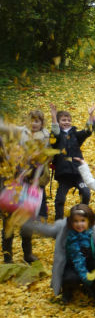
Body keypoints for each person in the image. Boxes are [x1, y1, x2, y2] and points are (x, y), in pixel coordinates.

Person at [21, 204, 95, 303]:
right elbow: (47, 230)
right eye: (75, 221)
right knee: (71, 278)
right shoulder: (63, 228)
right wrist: (29, 225)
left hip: (89, 261)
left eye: (82, 221)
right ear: (70, 221)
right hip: (70, 264)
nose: (79, 224)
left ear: (88, 221)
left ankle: (94, 290)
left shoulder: (92, 231)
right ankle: (67, 292)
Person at [0, 110, 51, 263]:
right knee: (8, 222)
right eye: (31, 120)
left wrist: (35, 178)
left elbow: (43, 163)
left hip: (29, 185)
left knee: (26, 222)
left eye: (37, 121)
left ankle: (27, 254)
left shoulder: (45, 138)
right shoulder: (18, 134)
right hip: (11, 183)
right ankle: (7, 256)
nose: (34, 124)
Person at [49, 103, 95, 219]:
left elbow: (87, 131)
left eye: (69, 120)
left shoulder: (75, 134)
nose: (66, 122)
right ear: (59, 122)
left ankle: (82, 213)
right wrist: (54, 117)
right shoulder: (57, 136)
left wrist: (90, 116)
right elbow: (55, 131)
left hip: (77, 172)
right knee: (60, 199)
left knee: (85, 192)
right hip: (64, 174)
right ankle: (58, 220)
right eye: (63, 120)